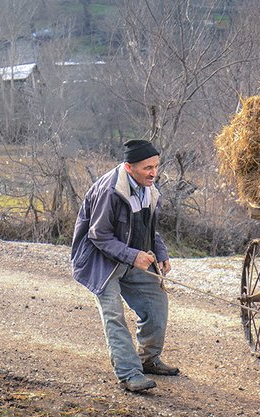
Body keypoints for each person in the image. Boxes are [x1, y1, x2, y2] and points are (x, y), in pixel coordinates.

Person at [71, 139, 179, 392]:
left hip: (131, 257)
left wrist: (160, 253)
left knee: (156, 303)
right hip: (100, 262)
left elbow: (150, 229)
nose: (154, 173)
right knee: (115, 317)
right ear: (129, 168)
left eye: (155, 166)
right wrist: (133, 256)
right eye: (147, 168)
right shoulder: (110, 191)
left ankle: (148, 360)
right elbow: (98, 235)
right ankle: (130, 374)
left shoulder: (148, 189)